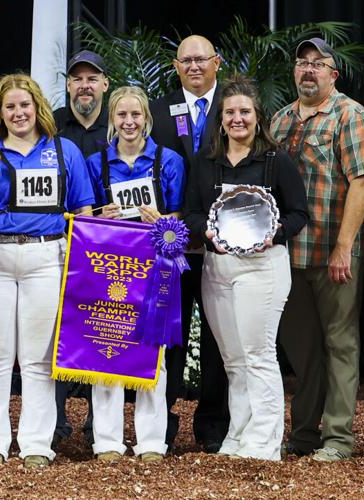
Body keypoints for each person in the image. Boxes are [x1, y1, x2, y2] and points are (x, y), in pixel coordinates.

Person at [0, 73, 94, 468]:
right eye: (10, 107)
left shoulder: (65, 151)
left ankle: (36, 443)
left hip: (47, 257)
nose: (18, 113)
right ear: (0, 114)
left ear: (38, 108)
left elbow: (83, 211)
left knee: (37, 358)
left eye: (24, 105)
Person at [183, 76, 309, 461]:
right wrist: (204, 231)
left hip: (262, 268)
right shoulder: (206, 163)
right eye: (230, 112)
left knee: (258, 354)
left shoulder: (275, 161)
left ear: (258, 116)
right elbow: (190, 212)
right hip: (217, 269)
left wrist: (276, 232)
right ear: (220, 119)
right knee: (233, 361)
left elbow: (298, 213)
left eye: (245, 112)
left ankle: (265, 441)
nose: (238, 119)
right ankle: (238, 436)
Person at [268, 37, 364, 462]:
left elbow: (362, 181)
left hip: (333, 255)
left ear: (334, 74)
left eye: (319, 63)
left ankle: (338, 437)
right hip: (288, 256)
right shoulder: (279, 121)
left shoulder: (349, 115)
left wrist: (344, 247)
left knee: (341, 344)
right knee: (303, 349)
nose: (308, 70)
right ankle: (303, 434)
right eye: (302, 62)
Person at [84, 85, 185, 462]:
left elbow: (179, 214)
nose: (129, 122)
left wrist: (164, 221)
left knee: (151, 352)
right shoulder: (96, 164)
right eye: (122, 115)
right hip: (108, 267)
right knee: (105, 347)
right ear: (112, 120)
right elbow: (84, 216)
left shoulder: (168, 161)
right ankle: (107, 440)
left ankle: (151, 442)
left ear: (147, 118)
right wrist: (98, 215)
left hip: (153, 269)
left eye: (136, 115)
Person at [147, 34, 229, 452]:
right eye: (186, 60)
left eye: (201, 59)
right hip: (169, 247)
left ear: (217, 62)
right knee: (169, 335)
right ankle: (160, 422)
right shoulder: (157, 111)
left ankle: (213, 424)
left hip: (221, 243)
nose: (194, 66)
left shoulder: (234, 108)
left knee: (218, 336)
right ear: (176, 66)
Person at [49, 49, 111, 447]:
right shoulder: (50, 124)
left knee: (101, 328)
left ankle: (97, 425)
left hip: (110, 242)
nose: (84, 85)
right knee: (55, 332)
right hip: (58, 243)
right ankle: (53, 425)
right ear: (68, 84)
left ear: (106, 84)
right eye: (77, 78)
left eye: (93, 78)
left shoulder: (122, 121)